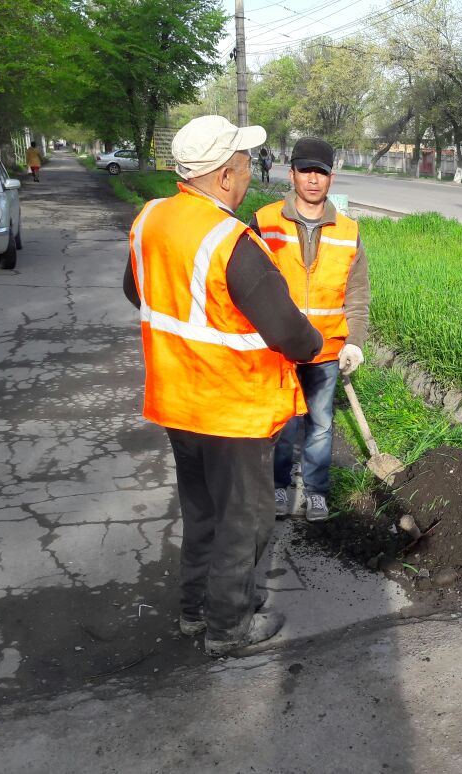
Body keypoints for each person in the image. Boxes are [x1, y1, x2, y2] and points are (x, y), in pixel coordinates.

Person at [122, 115, 322, 657]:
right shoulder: (233, 241)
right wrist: (317, 344)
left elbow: (134, 290)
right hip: (232, 409)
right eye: (245, 162)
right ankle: (229, 628)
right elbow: (289, 333)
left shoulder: (151, 219)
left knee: (203, 513)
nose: (249, 170)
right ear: (225, 174)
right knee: (246, 522)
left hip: (178, 401)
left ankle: (195, 612)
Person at [251, 137, 370, 523]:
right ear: (292, 174)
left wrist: (354, 342)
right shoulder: (265, 222)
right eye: (306, 171)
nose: (313, 180)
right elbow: (246, 284)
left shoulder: (349, 231)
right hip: (280, 349)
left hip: (324, 349)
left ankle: (316, 492)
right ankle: (280, 487)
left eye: (321, 172)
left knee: (321, 425)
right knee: (284, 425)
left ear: (331, 178)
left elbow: (357, 293)